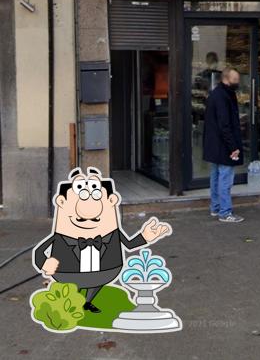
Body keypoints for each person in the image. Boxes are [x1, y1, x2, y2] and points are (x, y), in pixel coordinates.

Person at [32, 167, 172, 314]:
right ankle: (72, 302)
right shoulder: (60, 237)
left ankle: (87, 302)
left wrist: (145, 237)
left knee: (96, 284)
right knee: (73, 289)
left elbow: (129, 244)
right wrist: (44, 263)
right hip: (69, 272)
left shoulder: (112, 233)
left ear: (112, 201)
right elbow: (40, 251)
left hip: (105, 271)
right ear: (62, 202)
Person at [202, 66, 245, 223]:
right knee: (225, 179)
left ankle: (216, 207)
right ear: (226, 79)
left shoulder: (217, 94)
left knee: (216, 177)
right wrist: (233, 147)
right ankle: (225, 212)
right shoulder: (223, 96)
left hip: (215, 144)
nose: (237, 82)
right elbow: (224, 124)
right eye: (235, 80)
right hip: (224, 145)